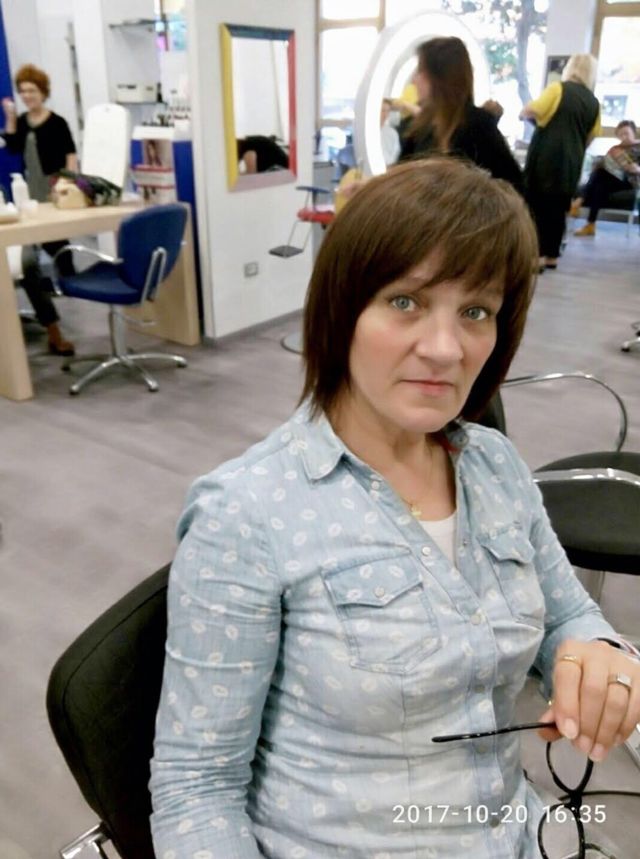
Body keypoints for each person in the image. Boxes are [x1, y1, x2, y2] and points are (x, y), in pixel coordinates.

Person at [150, 158, 640, 858]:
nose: (445, 349)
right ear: (343, 308)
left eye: (476, 312)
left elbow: (569, 615)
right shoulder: (248, 514)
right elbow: (197, 789)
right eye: (406, 301)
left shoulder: (494, 465)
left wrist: (599, 653)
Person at [2, 63, 78, 355]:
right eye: (23, 91)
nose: (27, 96)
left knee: (58, 244)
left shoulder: (57, 122)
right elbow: (11, 146)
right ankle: (51, 296)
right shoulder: (22, 121)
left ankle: (68, 283)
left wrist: (68, 183)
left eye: (32, 90)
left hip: (54, 185)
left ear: (43, 92)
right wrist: (11, 117)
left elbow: (70, 155)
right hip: (30, 188)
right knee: (31, 250)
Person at [399, 37, 523, 194]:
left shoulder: (478, 127)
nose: (414, 81)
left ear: (439, 78)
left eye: (420, 72)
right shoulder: (419, 127)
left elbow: (512, 185)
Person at [521, 54, 601, 271]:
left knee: (538, 205)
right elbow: (592, 136)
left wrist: (528, 117)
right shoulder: (594, 102)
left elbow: (531, 110)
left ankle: (536, 257)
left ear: (570, 68)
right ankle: (552, 256)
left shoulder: (558, 89)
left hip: (546, 156)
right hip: (573, 161)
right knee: (558, 207)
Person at [571, 119, 640, 236]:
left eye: (626, 133)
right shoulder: (615, 149)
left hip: (630, 181)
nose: (624, 137)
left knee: (600, 177)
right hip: (611, 180)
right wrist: (601, 165)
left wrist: (637, 169)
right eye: (621, 135)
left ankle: (579, 204)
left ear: (633, 132)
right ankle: (590, 224)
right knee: (600, 178)